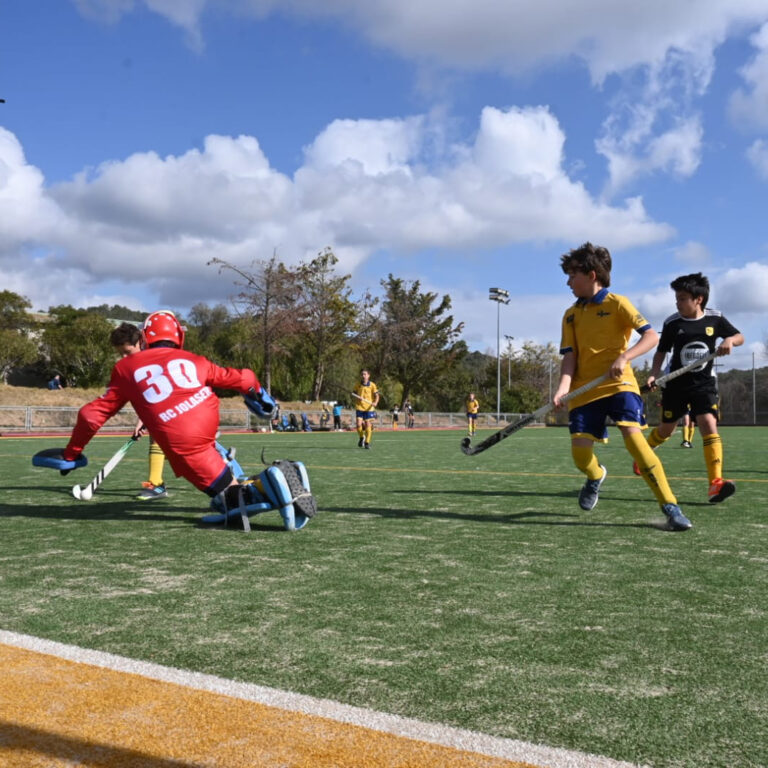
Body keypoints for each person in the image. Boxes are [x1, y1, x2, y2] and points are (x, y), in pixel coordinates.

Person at [36, 310, 276, 512]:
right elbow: (244, 378)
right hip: (206, 422)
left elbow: (90, 416)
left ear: (144, 338)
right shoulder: (195, 359)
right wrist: (262, 400)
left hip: (181, 437)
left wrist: (71, 454)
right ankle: (266, 483)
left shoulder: (125, 368)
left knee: (228, 500)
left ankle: (266, 487)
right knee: (219, 474)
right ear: (178, 336)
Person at [553, 242, 692, 532]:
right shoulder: (570, 315)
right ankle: (595, 476)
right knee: (580, 455)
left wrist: (625, 356)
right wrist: (562, 388)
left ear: (592, 275)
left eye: (572, 275)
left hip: (619, 384)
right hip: (584, 389)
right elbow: (570, 357)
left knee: (635, 441)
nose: (568, 281)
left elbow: (651, 336)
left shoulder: (618, 303)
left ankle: (671, 506)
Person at [640, 272, 744, 504]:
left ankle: (715, 484)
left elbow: (739, 336)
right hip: (676, 385)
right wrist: (653, 374)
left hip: (704, 384)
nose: (678, 303)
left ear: (699, 299)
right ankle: (644, 453)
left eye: (683, 298)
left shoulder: (715, 319)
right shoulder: (672, 322)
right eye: (676, 298)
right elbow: (661, 351)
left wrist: (729, 341)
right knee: (666, 429)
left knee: (708, 423)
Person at [109, 321, 169, 501]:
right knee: (159, 440)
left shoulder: (154, 359)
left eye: (127, 352)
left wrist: (145, 420)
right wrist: (141, 422)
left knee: (191, 452)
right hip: (160, 411)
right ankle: (156, 483)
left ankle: (229, 473)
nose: (124, 357)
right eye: (120, 354)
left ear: (139, 344)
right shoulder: (133, 367)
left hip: (179, 407)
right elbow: (144, 398)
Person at [353, 369, 379, 449]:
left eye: (365, 374)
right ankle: (361, 437)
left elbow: (377, 396)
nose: (363, 376)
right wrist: (358, 397)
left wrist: (375, 402)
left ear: (368, 375)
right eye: (362, 374)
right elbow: (353, 393)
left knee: (368, 424)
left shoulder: (372, 385)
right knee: (358, 424)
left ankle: (367, 442)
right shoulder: (358, 384)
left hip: (369, 408)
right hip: (359, 406)